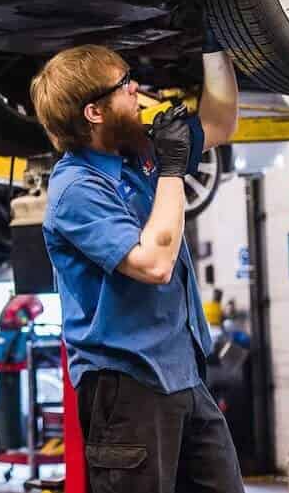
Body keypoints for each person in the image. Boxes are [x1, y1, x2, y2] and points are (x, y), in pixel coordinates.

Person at [29, 29, 241, 493]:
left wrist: (216, 40)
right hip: (127, 389)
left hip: (184, 374)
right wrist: (170, 168)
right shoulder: (77, 190)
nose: (136, 88)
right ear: (95, 112)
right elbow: (154, 264)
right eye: (123, 84)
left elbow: (221, 122)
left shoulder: (135, 152)